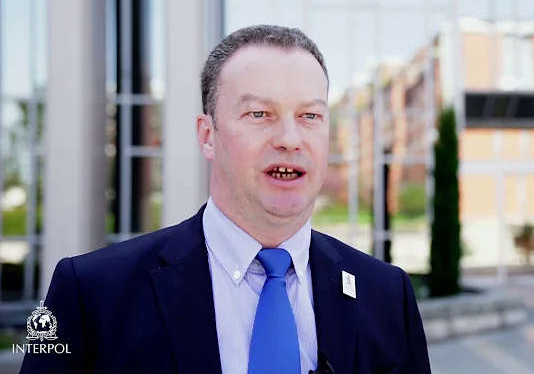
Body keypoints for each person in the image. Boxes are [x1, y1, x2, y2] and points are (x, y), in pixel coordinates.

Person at [20, 25, 431, 374]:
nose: (290, 139)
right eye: (260, 115)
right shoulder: (92, 294)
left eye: (310, 116)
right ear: (207, 135)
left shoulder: (386, 294)